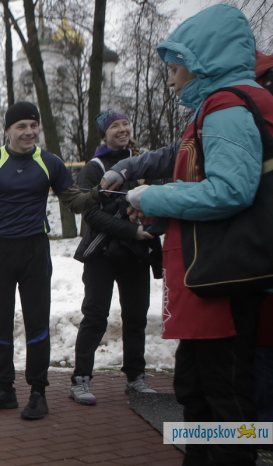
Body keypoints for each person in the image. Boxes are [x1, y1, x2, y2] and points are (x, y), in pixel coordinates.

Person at [102, 6, 273, 464]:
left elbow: (231, 191)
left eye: (176, 68)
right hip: (212, 277)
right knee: (196, 393)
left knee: (225, 400)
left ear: (202, 62)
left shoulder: (227, 107)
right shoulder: (220, 107)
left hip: (222, 282)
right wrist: (159, 212)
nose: (171, 80)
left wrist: (154, 197)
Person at [0, 101, 97, 420]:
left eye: (33, 125)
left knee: (37, 322)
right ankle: (5, 390)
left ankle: (38, 393)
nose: (29, 132)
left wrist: (98, 194)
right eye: (21, 126)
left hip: (35, 251)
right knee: (1, 322)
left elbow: (74, 202)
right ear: (7, 131)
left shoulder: (50, 162)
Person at [68, 110, 160, 406]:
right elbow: (91, 215)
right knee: (95, 316)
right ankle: (81, 378)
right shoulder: (93, 168)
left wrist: (151, 228)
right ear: (104, 134)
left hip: (136, 255)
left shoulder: (142, 164)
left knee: (136, 317)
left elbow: (158, 201)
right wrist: (132, 231)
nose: (122, 129)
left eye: (126, 124)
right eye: (115, 125)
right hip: (102, 254)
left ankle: (136, 376)